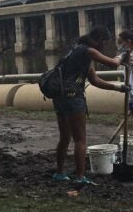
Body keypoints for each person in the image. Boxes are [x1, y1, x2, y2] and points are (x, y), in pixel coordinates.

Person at [52, 25, 128, 185]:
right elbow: (114, 64)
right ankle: (80, 177)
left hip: (60, 97)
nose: (104, 46)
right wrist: (123, 55)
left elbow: (94, 80)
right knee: (80, 139)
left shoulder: (76, 51)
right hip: (73, 97)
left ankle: (60, 173)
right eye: (105, 43)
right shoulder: (89, 51)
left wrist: (118, 87)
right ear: (100, 40)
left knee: (65, 137)